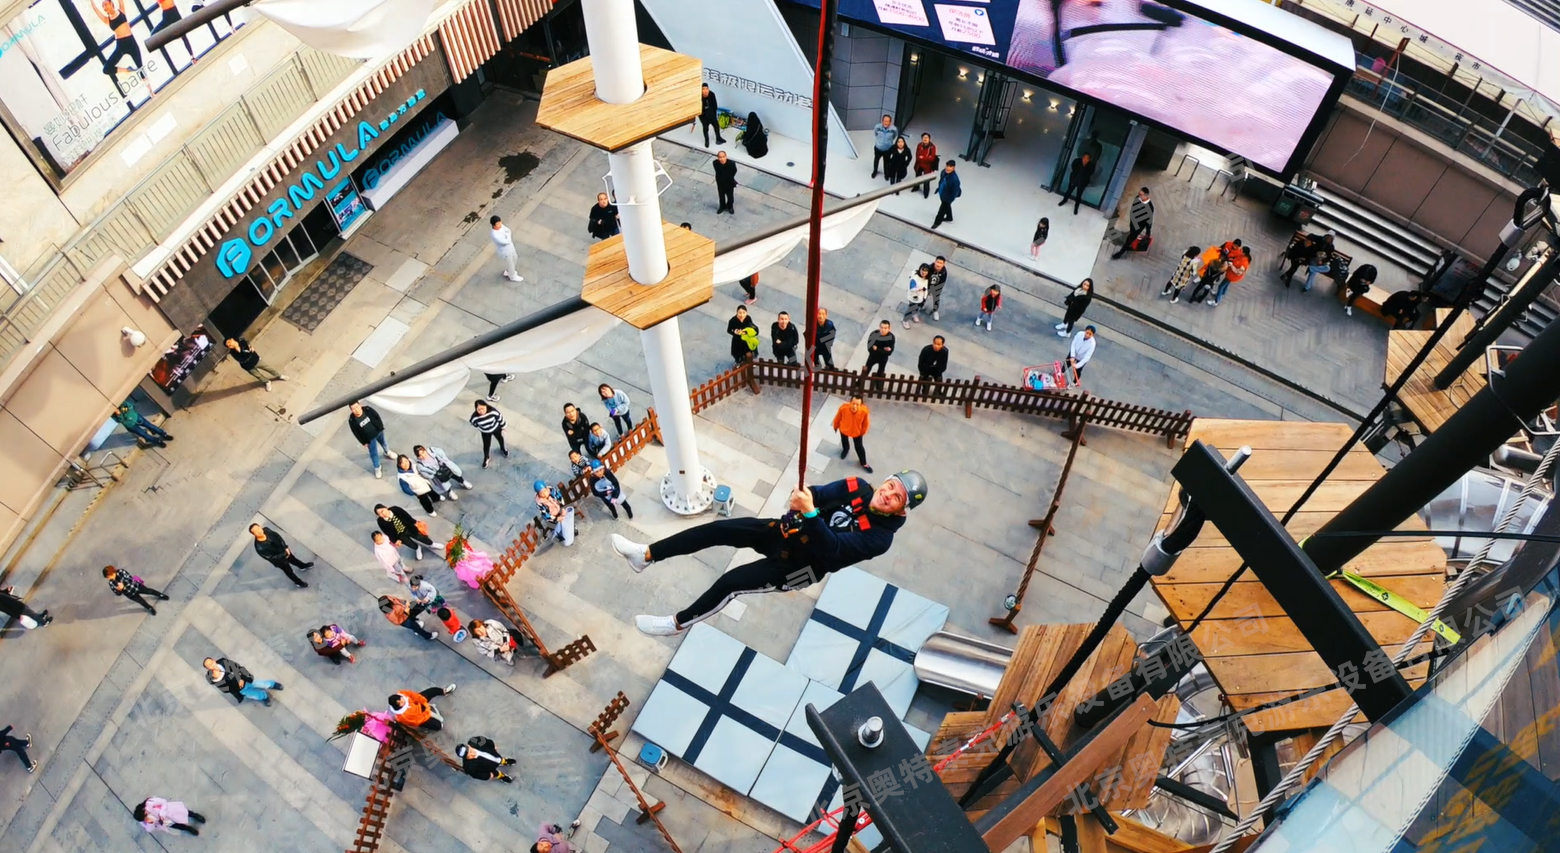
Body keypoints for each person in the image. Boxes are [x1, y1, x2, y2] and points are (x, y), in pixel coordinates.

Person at [614, 471, 927, 635]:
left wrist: (810, 514)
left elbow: (832, 549)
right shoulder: (857, 486)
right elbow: (817, 494)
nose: (887, 494)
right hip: (786, 531)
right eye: (889, 486)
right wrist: (799, 497)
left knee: (731, 583)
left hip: (801, 567)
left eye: (896, 497)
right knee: (718, 530)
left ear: (902, 509)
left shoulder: (880, 538)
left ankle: (676, 624)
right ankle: (646, 555)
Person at [92, 1, 144, 81]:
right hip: (121, 45)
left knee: (140, 67)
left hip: (131, 42)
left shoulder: (121, 10)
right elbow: (95, 10)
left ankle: (151, 91)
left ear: (111, 3)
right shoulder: (107, 20)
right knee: (106, 69)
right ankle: (127, 70)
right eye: (103, 6)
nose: (104, 7)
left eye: (105, 4)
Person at [249, 523, 313, 588]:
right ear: (254, 534)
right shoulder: (259, 547)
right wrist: (285, 553)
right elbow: (271, 558)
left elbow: (278, 537)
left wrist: (285, 547)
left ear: (260, 527)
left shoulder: (266, 530)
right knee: (289, 572)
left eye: (258, 528)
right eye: (256, 531)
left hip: (284, 550)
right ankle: (298, 583)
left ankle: (302, 566)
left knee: (294, 559)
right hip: (280, 561)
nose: (259, 531)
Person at [204, 656, 282, 705]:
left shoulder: (223, 662)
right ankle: (264, 696)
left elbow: (237, 667)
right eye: (209, 666)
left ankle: (272, 684)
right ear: (208, 668)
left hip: (245, 680)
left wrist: (240, 679)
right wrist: (219, 679)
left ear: (214, 660)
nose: (212, 665)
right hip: (239, 689)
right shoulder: (212, 678)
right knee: (253, 694)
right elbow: (225, 690)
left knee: (260, 683)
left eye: (212, 662)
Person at [347, 401, 392, 478]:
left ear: (360, 405)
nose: (356, 410)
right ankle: (377, 467)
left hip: (378, 432)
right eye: (353, 409)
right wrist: (363, 442)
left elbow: (377, 416)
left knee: (384, 442)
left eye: (357, 407)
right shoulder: (352, 420)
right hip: (369, 439)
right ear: (351, 410)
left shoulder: (368, 410)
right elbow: (356, 432)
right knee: (373, 453)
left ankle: (387, 452)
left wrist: (380, 427)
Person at [103, 565, 169, 615]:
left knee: (149, 591)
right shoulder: (111, 582)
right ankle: (149, 608)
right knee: (141, 602)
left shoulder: (121, 571)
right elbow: (117, 593)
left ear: (112, 572)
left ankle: (160, 595)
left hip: (136, 586)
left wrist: (123, 585)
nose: (109, 578)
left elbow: (130, 578)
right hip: (130, 594)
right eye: (107, 577)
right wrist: (119, 590)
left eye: (109, 576)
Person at [388, 684, 457, 731]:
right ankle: (437, 726)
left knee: (432, 691)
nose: (402, 702)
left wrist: (422, 700)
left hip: (417, 703)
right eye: (399, 703)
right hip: (419, 717)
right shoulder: (404, 715)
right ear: (397, 707)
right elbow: (419, 719)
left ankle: (444, 691)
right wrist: (427, 709)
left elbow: (413, 694)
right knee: (437, 725)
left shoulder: (402, 693)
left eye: (400, 699)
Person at [833, 395, 872, 473]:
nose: (854, 406)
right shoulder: (843, 408)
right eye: (853, 403)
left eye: (857, 404)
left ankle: (863, 463)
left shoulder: (864, 412)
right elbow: (838, 417)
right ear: (850, 403)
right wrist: (835, 426)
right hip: (844, 429)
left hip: (857, 432)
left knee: (859, 447)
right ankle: (845, 449)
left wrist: (862, 432)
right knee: (844, 441)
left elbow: (866, 424)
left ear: (860, 405)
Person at [1111, 187, 1155, 258]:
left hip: (1139, 226)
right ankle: (1129, 245)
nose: (1139, 195)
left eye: (1141, 194)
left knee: (1130, 237)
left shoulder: (1150, 207)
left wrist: (1148, 232)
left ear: (1146, 195)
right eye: (1139, 194)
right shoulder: (1137, 198)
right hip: (1133, 222)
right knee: (1131, 236)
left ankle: (1120, 253)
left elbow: (1149, 221)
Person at [534, 481, 576, 547]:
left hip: (559, 510)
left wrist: (563, 508)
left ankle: (573, 529)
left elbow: (560, 497)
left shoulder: (552, 490)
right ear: (538, 494)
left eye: (545, 491)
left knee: (568, 520)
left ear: (546, 488)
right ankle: (564, 538)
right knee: (559, 528)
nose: (544, 494)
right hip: (552, 517)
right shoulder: (540, 503)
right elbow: (545, 514)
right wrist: (556, 519)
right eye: (541, 493)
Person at [469, 400, 509, 469]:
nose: (481, 411)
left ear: (486, 406)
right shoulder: (474, 417)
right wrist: (481, 429)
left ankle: (503, 448)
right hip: (485, 432)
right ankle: (486, 457)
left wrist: (503, 426)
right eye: (479, 409)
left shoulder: (493, 412)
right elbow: (474, 424)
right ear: (476, 409)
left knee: (500, 439)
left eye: (483, 408)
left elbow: (500, 418)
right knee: (486, 445)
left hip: (496, 428)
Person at [134, 797, 205, 835]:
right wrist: (150, 823)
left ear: (143, 809)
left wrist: (162, 813)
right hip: (164, 821)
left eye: (146, 814)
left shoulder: (149, 802)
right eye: (145, 818)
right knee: (176, 825)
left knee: (184, 812)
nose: (147, 816)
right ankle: (188, 828)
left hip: (169, 811)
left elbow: (163, 801)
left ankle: (195, 816)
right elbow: (149, 830)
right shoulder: (143, 820)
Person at [490, 216, 523, 282]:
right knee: (510, 263)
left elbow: (508, 230)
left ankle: (509, 271)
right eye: (498, 224)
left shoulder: (501, 226)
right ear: (493, 225)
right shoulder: (494, 234)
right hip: (505, 252)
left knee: (515, 258)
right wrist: (508, 236)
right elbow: (505, 242)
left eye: (500, 222)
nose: (500, 224)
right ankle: (512, 276)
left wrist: (507, 236)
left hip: (511, 247)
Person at [931, 160, 961, 229]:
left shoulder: (954, 179)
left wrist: (949, 199)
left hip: (948, 197)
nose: (948, 168)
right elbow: (941, 181)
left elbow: (955, 192)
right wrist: (939, 189)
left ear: (953, 168)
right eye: (947, 166)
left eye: (950, 167)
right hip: (943, 194)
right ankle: (949, 217)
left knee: (941, 210)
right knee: (947, 206)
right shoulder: (943, 172)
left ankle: (937, 222)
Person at [903, 263, 930, 328]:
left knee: (917, 308)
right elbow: (912, 288)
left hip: (921, 297)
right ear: (920, 270)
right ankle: (905, 320)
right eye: (922, 270)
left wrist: (924, 296)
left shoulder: (926, 278)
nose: (924, 272)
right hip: (914, 298)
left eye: (926, 271)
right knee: (911, 309)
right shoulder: (914, 278)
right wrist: (920, 289)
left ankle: (914, 314)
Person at [870, 114, 898, 178]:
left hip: (887, 150)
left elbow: (894, 136)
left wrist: (888, 142)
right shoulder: (877, 127)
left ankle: (886, 174)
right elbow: (876, 134)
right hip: (878, 148)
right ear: (882, 121)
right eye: (884, 121)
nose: (886, 122)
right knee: (876, 160)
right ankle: (875, 171)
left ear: (890, 122)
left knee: (887, 163)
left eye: (887, 121)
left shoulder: (894, 129)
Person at [913, 133, 938, 198]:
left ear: (929, 139)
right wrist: (920, 158)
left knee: (926, 180)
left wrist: (923, 158)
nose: (925, 139)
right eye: (924, 137)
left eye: (927, 137)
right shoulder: (919, 145)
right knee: (917, 177)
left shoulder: (932, 147)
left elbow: (932, 158)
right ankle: (916, 187)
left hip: (927, 166)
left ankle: (926, 192)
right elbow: (917, 154)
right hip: (919, 164)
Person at [713, 150, 738, 215]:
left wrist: (729, 177)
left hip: (729, 183)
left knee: (730, 197)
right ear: (718, 158)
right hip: (720, 183)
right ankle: (722, 206)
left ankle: (730, 207)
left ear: (726, 156)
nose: (722, 159)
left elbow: (734, 171)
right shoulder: (715, 163)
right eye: (720, 157)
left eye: (723, 157)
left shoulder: (731, 163)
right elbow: (717, 171)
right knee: (721, 196)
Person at [925, 256, 949, 321]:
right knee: (923, 297)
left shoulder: (944, 272)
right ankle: (920, 306)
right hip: (927, 286)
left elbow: (942, 283)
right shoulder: (929, 268)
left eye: (940, 263)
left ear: (943, 264)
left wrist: (936, 291)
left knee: (936, 300)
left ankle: (935, 311)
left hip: (936, 288)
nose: (938, 264)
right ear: (935, 261)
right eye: (937, 262)